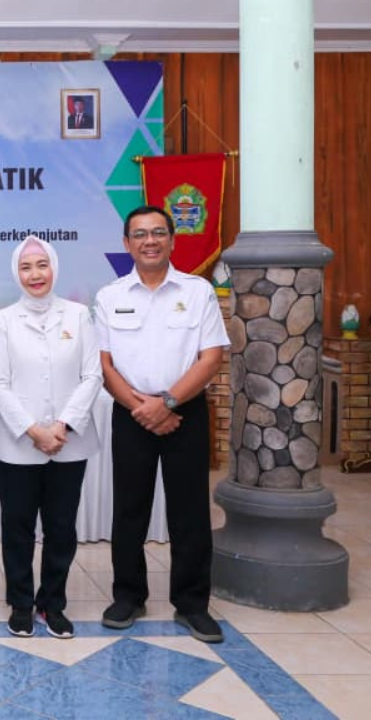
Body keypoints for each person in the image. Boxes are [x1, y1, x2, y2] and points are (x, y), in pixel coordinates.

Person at [94, 205, 230, 644]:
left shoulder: (197, 291)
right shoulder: (110, 296)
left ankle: (192, 604)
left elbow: (211, 357)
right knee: (129, 509)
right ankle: (128, 596)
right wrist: (143, 408)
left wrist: (167, 402)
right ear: (126, 243)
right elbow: (104, 365)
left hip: (185, 412)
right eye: (139, 234)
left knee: (189, 512)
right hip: (131, 412)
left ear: (172, 239)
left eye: (157, 233)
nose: (149, 241)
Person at [0, 236, 102, 639]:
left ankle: (52, 603)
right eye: (26, 267)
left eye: (41, 265)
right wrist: (33, 430)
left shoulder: (79, 315)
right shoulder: (3, 320)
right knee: (17, 527)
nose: (35, 274)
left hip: (69, 443)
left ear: (54, 268)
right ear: (16, 274)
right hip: (18, 443)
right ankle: (20, 603)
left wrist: (63, 425)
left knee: (61, 528)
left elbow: (92, 376)